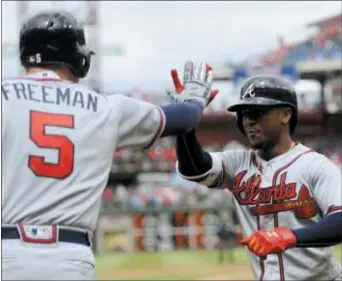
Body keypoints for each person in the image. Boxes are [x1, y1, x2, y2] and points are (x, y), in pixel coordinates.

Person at [1, 11, 219, 280]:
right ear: (77, 56)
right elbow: (184, 119)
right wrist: (193, 100)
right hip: (69, 257)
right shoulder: (104, 107)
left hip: (6, 252)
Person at [173, 74, 342, 281]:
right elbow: (193, 167)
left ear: (286, 114)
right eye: (243, 114)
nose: (248, 121)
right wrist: (185, 120)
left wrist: (292, 236)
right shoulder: (236, 163)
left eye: (257, 112)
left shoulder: (316, 166)